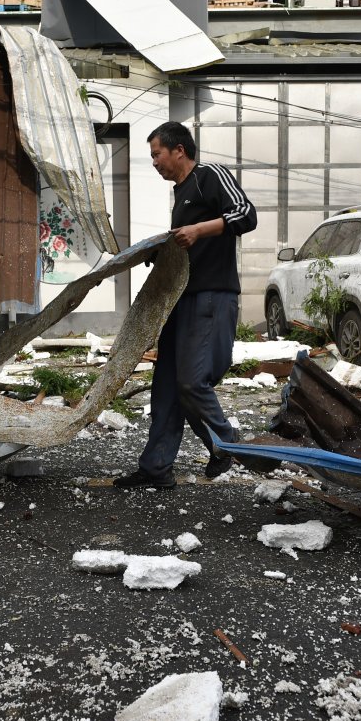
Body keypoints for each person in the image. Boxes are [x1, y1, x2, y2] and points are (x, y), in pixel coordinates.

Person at [114, 122, 257, 489]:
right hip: (181, 298)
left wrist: (197, 231)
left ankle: (226, 443)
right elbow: (187, 246)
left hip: (211, 296)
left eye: (156, 154)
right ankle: (156, 469)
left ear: (179, 150)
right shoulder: (180, 195)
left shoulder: (210, 175)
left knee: (191, 382)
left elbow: (245, 214)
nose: (155, 163)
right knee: (166, 389)